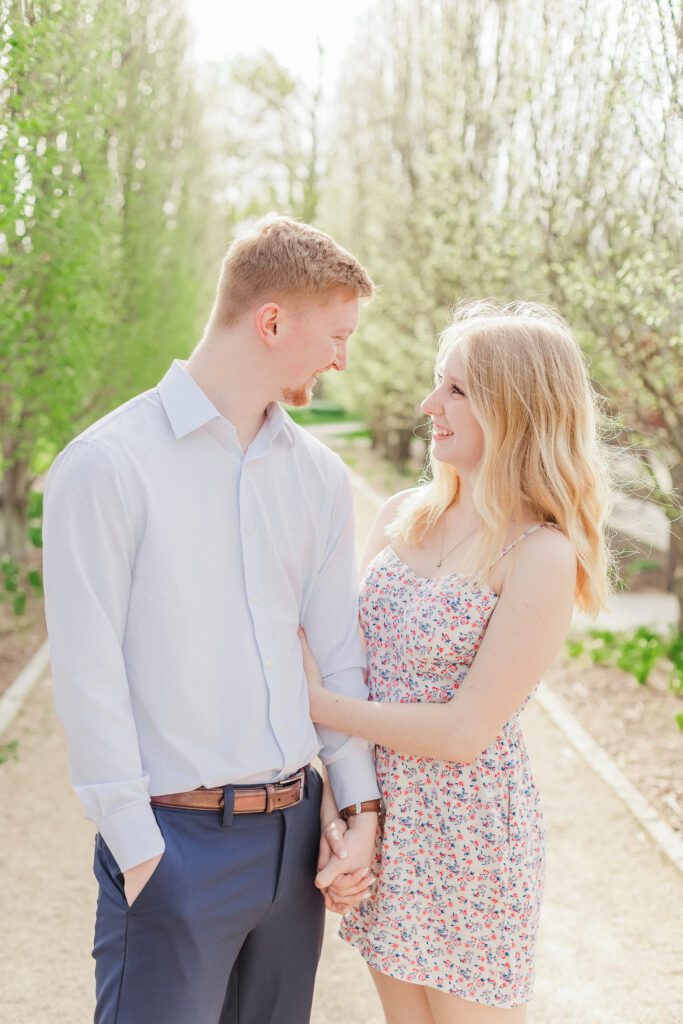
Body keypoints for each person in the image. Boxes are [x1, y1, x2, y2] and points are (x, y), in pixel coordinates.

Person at [42, 215, 383, 1024]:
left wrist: (358, 810)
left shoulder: (319, 478)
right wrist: (137, 850)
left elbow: (336, 652)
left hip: (296, 841)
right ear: (271, 321)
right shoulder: (104, 466)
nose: (342, 358)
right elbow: (88, 679)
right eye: (335, 336)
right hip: (173, 847)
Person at [300, 300, 612, 1023]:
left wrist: (304, 700)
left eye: (456, 390)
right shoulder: (399, 515)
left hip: (469, 842)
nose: (427, 404)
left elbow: (464, 731)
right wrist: (339, 809)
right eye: (438, 383)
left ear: (514, 409)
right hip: (383, 822)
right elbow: (350, 671)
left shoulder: (540, 553)